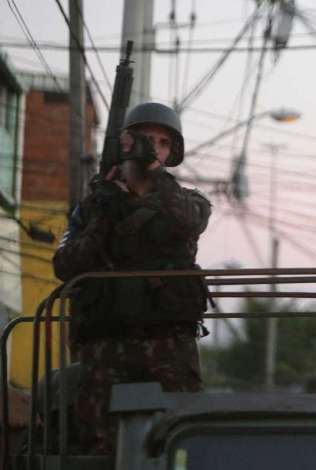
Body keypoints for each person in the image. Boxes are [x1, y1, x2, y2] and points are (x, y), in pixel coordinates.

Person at [53, 102, 212, 454]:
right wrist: (104, 214)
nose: (153, 148)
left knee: (180, 441)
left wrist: (154, 178)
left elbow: (187, 223)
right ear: (125, 143)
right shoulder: (94, 205)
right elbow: (65, 265)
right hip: (106, 343)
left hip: (169, 343)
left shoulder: (188, 202)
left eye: (162, 142)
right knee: (102, 445)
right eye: (145, 139)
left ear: (171, 153)